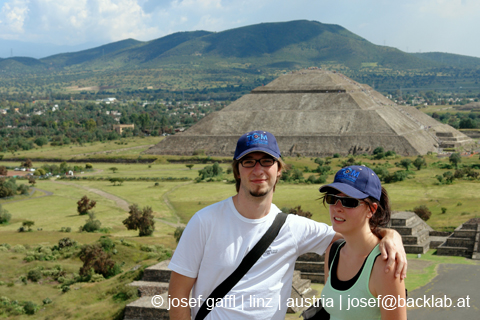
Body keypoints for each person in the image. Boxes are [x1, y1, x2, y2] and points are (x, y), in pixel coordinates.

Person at [168, 130, 407, 320]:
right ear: (237, 171)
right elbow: (177, 295)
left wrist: (390, 235)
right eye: (248, 162)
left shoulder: (292, 228)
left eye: (266, 161)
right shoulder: (204, 222)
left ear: (279, 169)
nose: (258, 170)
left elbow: (351, 235)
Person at [320, 166, 407, 319]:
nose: (337, 208)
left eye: (349, 201)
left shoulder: (385, 264)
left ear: (371, 210)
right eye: (332, 198)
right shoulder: (333, 252)